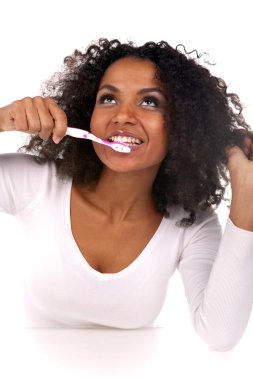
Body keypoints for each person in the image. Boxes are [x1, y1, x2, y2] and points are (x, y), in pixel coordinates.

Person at [0, 38, 253, 351]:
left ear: (182, 126)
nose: (122, 116)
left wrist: (247, 190)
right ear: (87, 113)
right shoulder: (36, 183)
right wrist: (0, 120)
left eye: (149, 102)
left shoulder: (191, 224)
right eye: (108, 99)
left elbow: (220, 335)